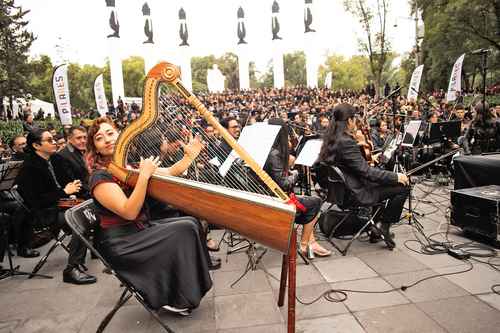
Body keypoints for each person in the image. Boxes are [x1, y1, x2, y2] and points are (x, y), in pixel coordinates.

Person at [86, 117, 212, 315]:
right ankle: (173, 297)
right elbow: (129, 211)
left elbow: (170, 171)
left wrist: (189, 157)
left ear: (121, 135)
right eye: (100, 138)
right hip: (121, 242)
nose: (107, 140)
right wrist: (144, 176)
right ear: (96, 148)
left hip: (139, 229)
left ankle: (179, 289)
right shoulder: (99, 177)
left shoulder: (128, 166)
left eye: (110, 133)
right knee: (185, 228)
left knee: (191, 222)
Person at [318, 104, 409, 249]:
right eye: (355, 119)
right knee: (402, 187)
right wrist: (396, 177)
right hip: (355, 193)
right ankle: (382, 226)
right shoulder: (346, 141)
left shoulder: (332, 138)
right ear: (349, 121)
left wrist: (370, 158)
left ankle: (376, 227)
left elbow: (352, 165)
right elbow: (367, 172)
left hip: (341, 191)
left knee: (385, 182)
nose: (356, 122)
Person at [15, 128, 97, 283]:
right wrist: (64, 192)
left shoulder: (55, 159)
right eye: (49, 140)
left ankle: (96, 249)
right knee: (80, 220)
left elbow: (63, 185)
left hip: (60, 205)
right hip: (43, 214)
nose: (54, 142)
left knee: (92, 208)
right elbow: (35, 201)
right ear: (36, 146)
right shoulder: (29, 167)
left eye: (53, 139)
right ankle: (72, 269)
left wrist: (73, 187)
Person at [264, 119, 331, 258]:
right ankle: (305, 244)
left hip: (269, 197)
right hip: (278, 201)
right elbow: (284, 184)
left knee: (309, 202)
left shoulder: (268, 150)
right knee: (316, 202)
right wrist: (296, 173)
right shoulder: (274, 154)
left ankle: (312, 242)